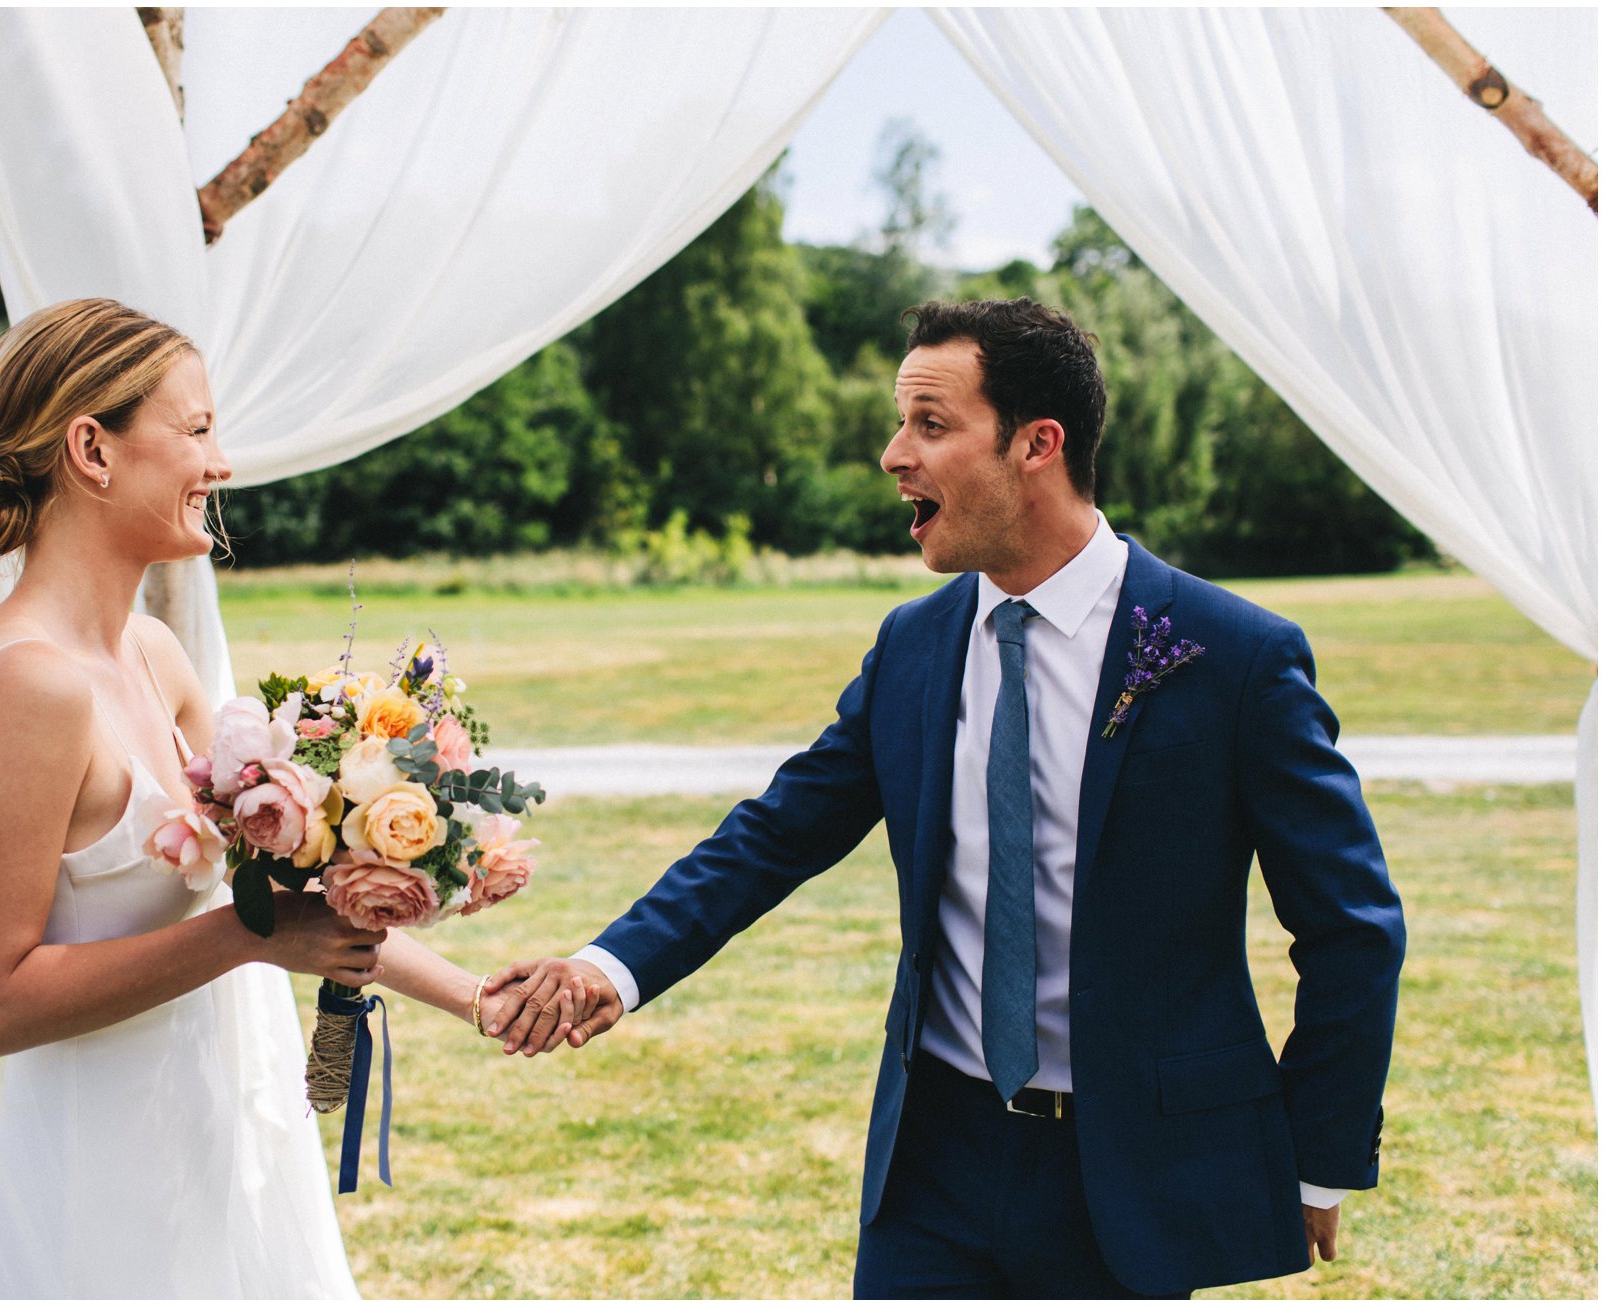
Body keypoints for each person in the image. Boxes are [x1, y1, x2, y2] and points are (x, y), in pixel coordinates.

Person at [487, 298, 1406, 1298]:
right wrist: (604, 968)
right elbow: (771, 836)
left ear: (1036, 445)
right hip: (933, 1160)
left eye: (930, 423)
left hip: (1128, 1171)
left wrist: (1319, 1152)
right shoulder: (913, 647)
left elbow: (1351, 925)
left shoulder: (1233, 656)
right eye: (899, 423)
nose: (893, 453)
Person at [0, 298, 528, 1298]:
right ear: (92, 448)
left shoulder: (150, 652)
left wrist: (477, 994)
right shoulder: (26, 684)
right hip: (98, 1199)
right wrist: (250, 942)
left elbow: (281, 896)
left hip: (216, 1156)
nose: (220, 465)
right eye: (199, 429)